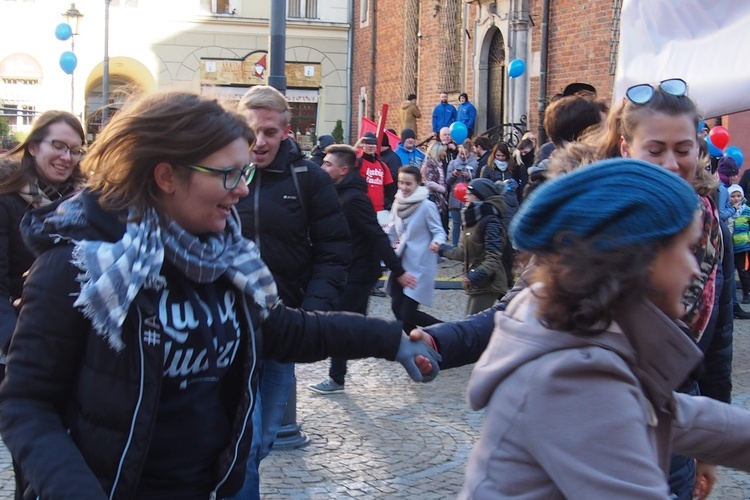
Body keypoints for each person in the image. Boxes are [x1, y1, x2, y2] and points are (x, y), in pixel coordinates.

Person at [0, 92, 440, 499]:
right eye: (229, 173)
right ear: (167, 176)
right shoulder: (77, 265)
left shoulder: (226, 258)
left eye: (245, 170)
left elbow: (286, 329)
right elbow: (26, 402)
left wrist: (391, 339)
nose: (244, 188)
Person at [416, 78, 736, 500]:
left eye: (683, 149)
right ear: (626, 148)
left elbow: (712, 357)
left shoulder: (712, 226)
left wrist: (708, 449)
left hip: (671, 434)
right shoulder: (596, 233)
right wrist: (442, 341)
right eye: (656, 149)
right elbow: (528, 305)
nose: (673, 163)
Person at [459, 158, 750, 499]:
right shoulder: (571, 377)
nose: (694, 268)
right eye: (687, 249)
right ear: (639, 260)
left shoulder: (591, 334)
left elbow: (675, 415)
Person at [235, 85, 351, 499]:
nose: (259, 141)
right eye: (252, 131)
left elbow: (334, 249)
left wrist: (314, 312)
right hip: (229, 329)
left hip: (282, 328)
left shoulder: (309, 179)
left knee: (264, 439)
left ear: (286, 132)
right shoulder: (224, 174)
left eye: (269, 132)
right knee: (243, 445)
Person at [308, 145, 417, 394]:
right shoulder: (337, 193)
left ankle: (339, 377)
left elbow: (376, 236)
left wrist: (398, 271)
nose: (322, 167)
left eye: (327, 164)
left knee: (341, 323)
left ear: (343, 170)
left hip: (357, 273)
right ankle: (401, 346)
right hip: (348, 270)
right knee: (353, 326)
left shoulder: (354, 199)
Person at [0, 110, 86, 382]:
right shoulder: (6, 200)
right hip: (19, 343)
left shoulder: (85, 203)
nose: (66, 157)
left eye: (74, 150)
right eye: (58, 146)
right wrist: (16, 342)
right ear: (34, 146)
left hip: (71, 343)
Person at [386, 165, 446, 333]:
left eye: (408, 184)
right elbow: (391, 230)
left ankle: (448, 330)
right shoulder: (397, 201)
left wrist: (437, 242)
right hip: (401, 262)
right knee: (397, 308)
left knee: (408, 312)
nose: (404, 187)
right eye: (401, 183)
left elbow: (438, 231)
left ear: (418, 184)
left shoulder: (426, 206)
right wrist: (382, 248)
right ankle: (414, 345)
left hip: (420, 264)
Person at [439, 178, 507, 315]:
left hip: (489, 284)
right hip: (478, 284)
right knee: (472, 326)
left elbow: (493, 257)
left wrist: (475, 275)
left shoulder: (490, 221)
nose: (465, 196)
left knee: (472, 327)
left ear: (480, 195)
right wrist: (441, 249)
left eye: (469, 193)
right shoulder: (474, 218)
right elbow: (465, 252)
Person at [355, 131, 396, 212]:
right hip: (362, 209)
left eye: (373, 143)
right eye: (367, 143)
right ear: (362, 146)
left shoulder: (383, 166)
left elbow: (391, 189)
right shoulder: (357, 163)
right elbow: (345, 161)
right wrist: (356, 146)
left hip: (381, 210)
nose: (370, 146)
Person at [445, 145, 476, 246]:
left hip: (469, 197)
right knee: (456, 223)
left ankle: (466, 246)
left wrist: (469, 176)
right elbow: (448, 181)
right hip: (455, 197)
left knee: (467, 224)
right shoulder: (453, 163)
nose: (463, 156)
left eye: (465, 154)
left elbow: (477, 180)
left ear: (469, 153)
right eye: (461, 154)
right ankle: (454, 246)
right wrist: (453, 175)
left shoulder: (474, 163)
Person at [422, 142, 449, 235]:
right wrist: (443, 189)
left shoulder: (439, 164)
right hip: (433, 198)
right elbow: (430, 183)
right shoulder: (430, 163)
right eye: (444, 152)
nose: (445, 154)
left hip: (439, 199)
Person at [730, 184, 750, 305]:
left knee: (743, 271)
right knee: (731, 271)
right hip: (731, 246)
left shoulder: (747, 211)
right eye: (733, 196)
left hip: (743, 245)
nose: (736, 198)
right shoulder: (729, 211)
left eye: (738, 196)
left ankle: (746, 293)